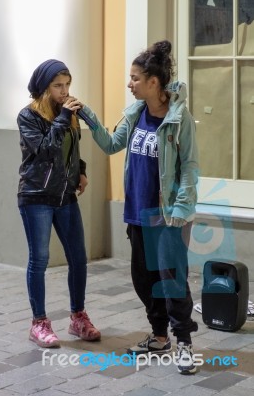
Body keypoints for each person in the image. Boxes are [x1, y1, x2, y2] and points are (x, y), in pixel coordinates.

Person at [73, 40, 200, 374]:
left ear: (153, 82)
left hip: (167, 215)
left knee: (172, 280)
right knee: (144, 280)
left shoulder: (178, 117)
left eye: (134, 78)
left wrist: (181, 209)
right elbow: (111, 144)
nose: (129, 84)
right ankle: (159, 337)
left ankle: (184, 343)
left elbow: (189, 166)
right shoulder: (135, 113)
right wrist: (86, 113)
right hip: (137, 213)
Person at [17, 59, 101, 348]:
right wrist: (63, 117)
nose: (65, 91)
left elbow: (70, 149)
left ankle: (78, 317)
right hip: (36, 197)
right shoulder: (27, 117)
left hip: (65, 196)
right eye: (57, 86)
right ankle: (39, 323)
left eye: (67, 85)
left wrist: (81, 170)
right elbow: (44, 152)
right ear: (44, 88)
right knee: (39, 260)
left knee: (78, 258)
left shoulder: (67, 115)